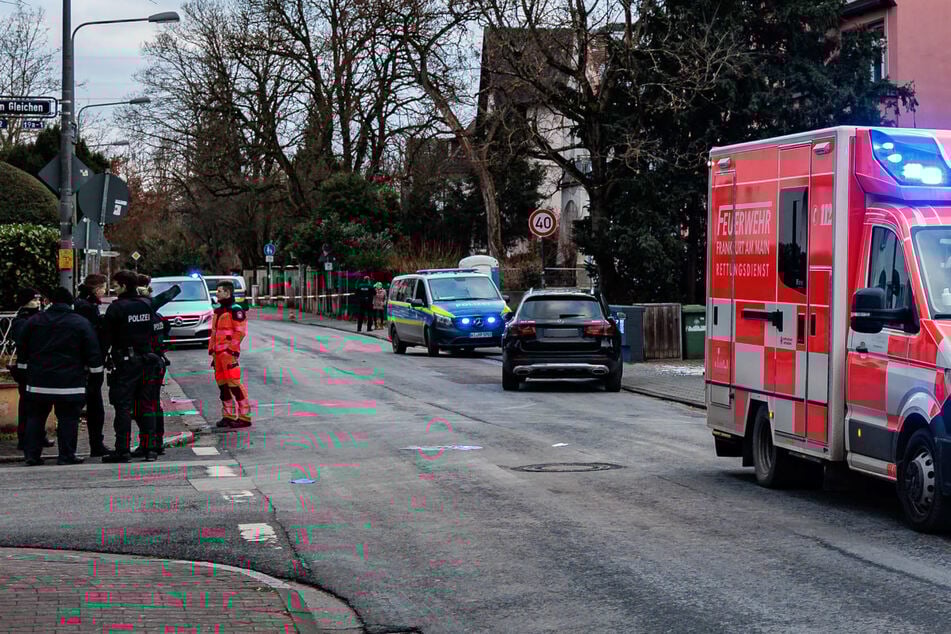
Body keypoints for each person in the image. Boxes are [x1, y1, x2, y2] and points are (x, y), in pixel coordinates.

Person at [16, 287, 103, 466]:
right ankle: (66, 455)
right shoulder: (80, 323)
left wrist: (24, 375)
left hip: (39, 381)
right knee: (68, 419)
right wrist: (95, 377)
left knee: (35, 418)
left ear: (51, 302)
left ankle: (32, 455)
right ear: (70, 303)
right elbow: (93, 352)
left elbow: (22, 351)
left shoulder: (33, 322)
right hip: (70, 383)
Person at [100, 270, 163, 463]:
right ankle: (150, 448)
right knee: (147, 405)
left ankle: (123, 450)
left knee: (123, 407)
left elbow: (105, 338)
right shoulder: (146, 305)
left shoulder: (117, 308)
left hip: (126, 364)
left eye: (116, 285)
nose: (114, 288)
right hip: (148, 361)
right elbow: (157, 330)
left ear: (124, 286)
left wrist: (99, 361)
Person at [130, 273, 180, 457]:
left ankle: (148, 444)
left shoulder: (143, 315)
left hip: (144, 363)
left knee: (142, 406)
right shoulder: (157, 315)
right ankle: (156, 443)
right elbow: (165, 332)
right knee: (153, 404)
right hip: (157, 362)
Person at [9, 288, 54, 452]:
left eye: (38, 300)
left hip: (34, 366)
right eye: (33, 300)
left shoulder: (36, 318)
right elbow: (24, 342)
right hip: (27, 367)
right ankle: (25, 438)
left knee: (39, 405)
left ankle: (37, 436)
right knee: (28, 405)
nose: (37, 303)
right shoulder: (23, 320)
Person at [74, 274, 109, 456]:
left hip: (84, 363)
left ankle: (93, 444)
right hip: (88, 365)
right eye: (103, 287)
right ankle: (94, 445)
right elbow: (91, 337)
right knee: (91, 407)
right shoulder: (86, 308)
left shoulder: (84, 304)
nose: (105, 291)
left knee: (90, 407)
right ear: (96, 289)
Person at [210, 280, 251, 429]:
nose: (217, 294)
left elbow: (240, 332)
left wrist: (231, 350)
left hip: (228, 354)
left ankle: (245, 417)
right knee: (223, 387)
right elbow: (214, 333)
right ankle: (228, 416)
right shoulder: (219, 311)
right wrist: (212, 351)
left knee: (234, 385)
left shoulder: (235, 309)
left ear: (227, 293)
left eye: (219, 291)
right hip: (218, 355)